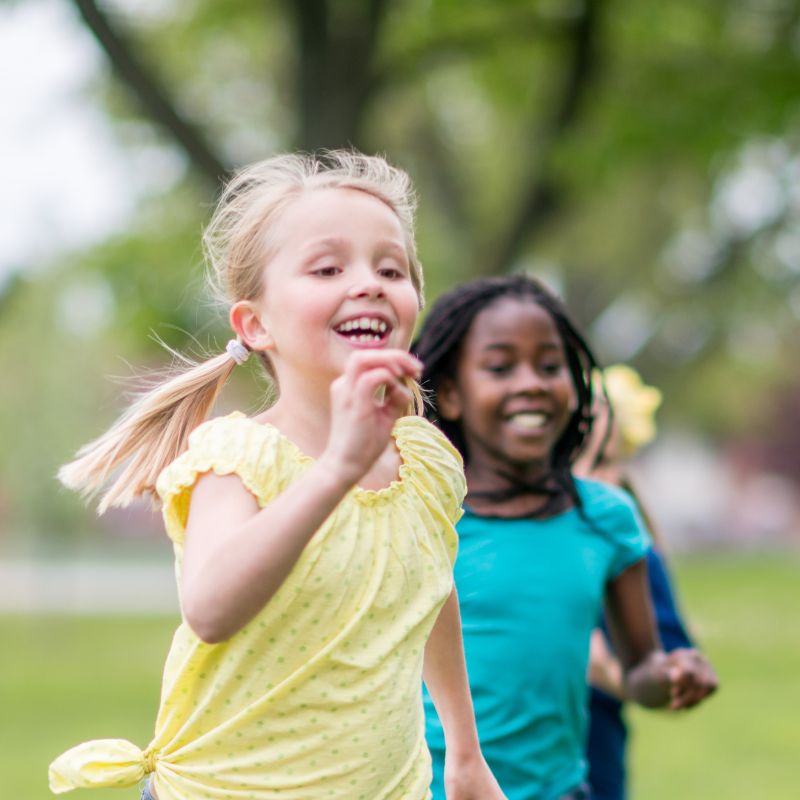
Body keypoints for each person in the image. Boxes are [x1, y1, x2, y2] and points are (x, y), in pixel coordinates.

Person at [48, 152, 506, 800]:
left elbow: (426, 587)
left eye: (391, 267)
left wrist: (463, 753)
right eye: (328, 267)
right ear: (256, 324)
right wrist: (338, 470)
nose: (369, 282)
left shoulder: (423, 458)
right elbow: (210, 609)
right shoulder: (238, 457)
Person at [412, 275, 717, 800]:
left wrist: (668, 674)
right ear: (454, 394)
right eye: (500, 367)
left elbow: (638, 666)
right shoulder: (418, 513)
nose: (531, 382)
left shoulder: (605, 518)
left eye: (550, 366)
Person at [573, 366, 716, 800]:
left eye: (605, 462)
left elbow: (668, 666)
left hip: (593, 769)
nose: (587, 478)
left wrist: (610, 673)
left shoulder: (633, 551)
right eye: (571, 457)